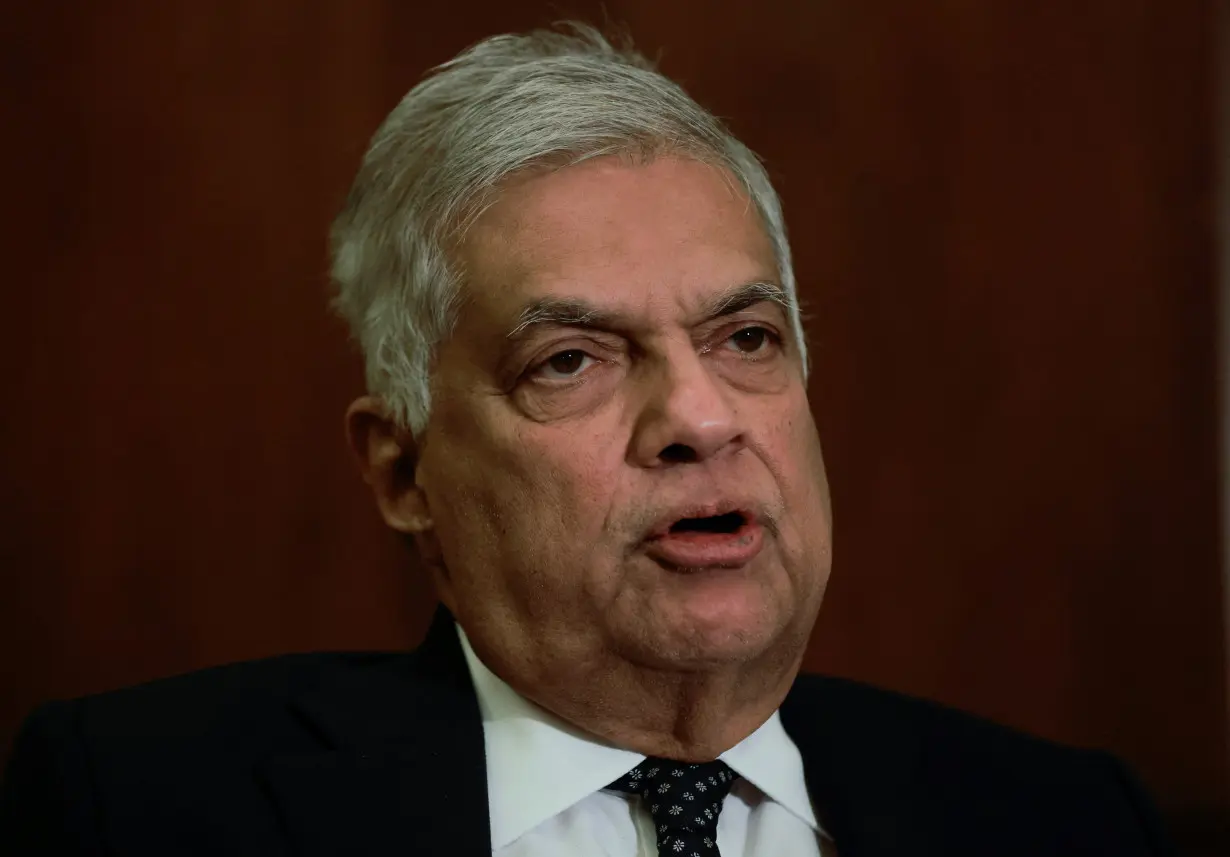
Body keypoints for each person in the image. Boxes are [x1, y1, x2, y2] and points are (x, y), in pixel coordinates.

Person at [0, 22, 1173, 857]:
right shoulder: (141, 806)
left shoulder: (1065, 818)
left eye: (747, 337)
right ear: (402, 470)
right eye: (570, 360)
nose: (701, 417)